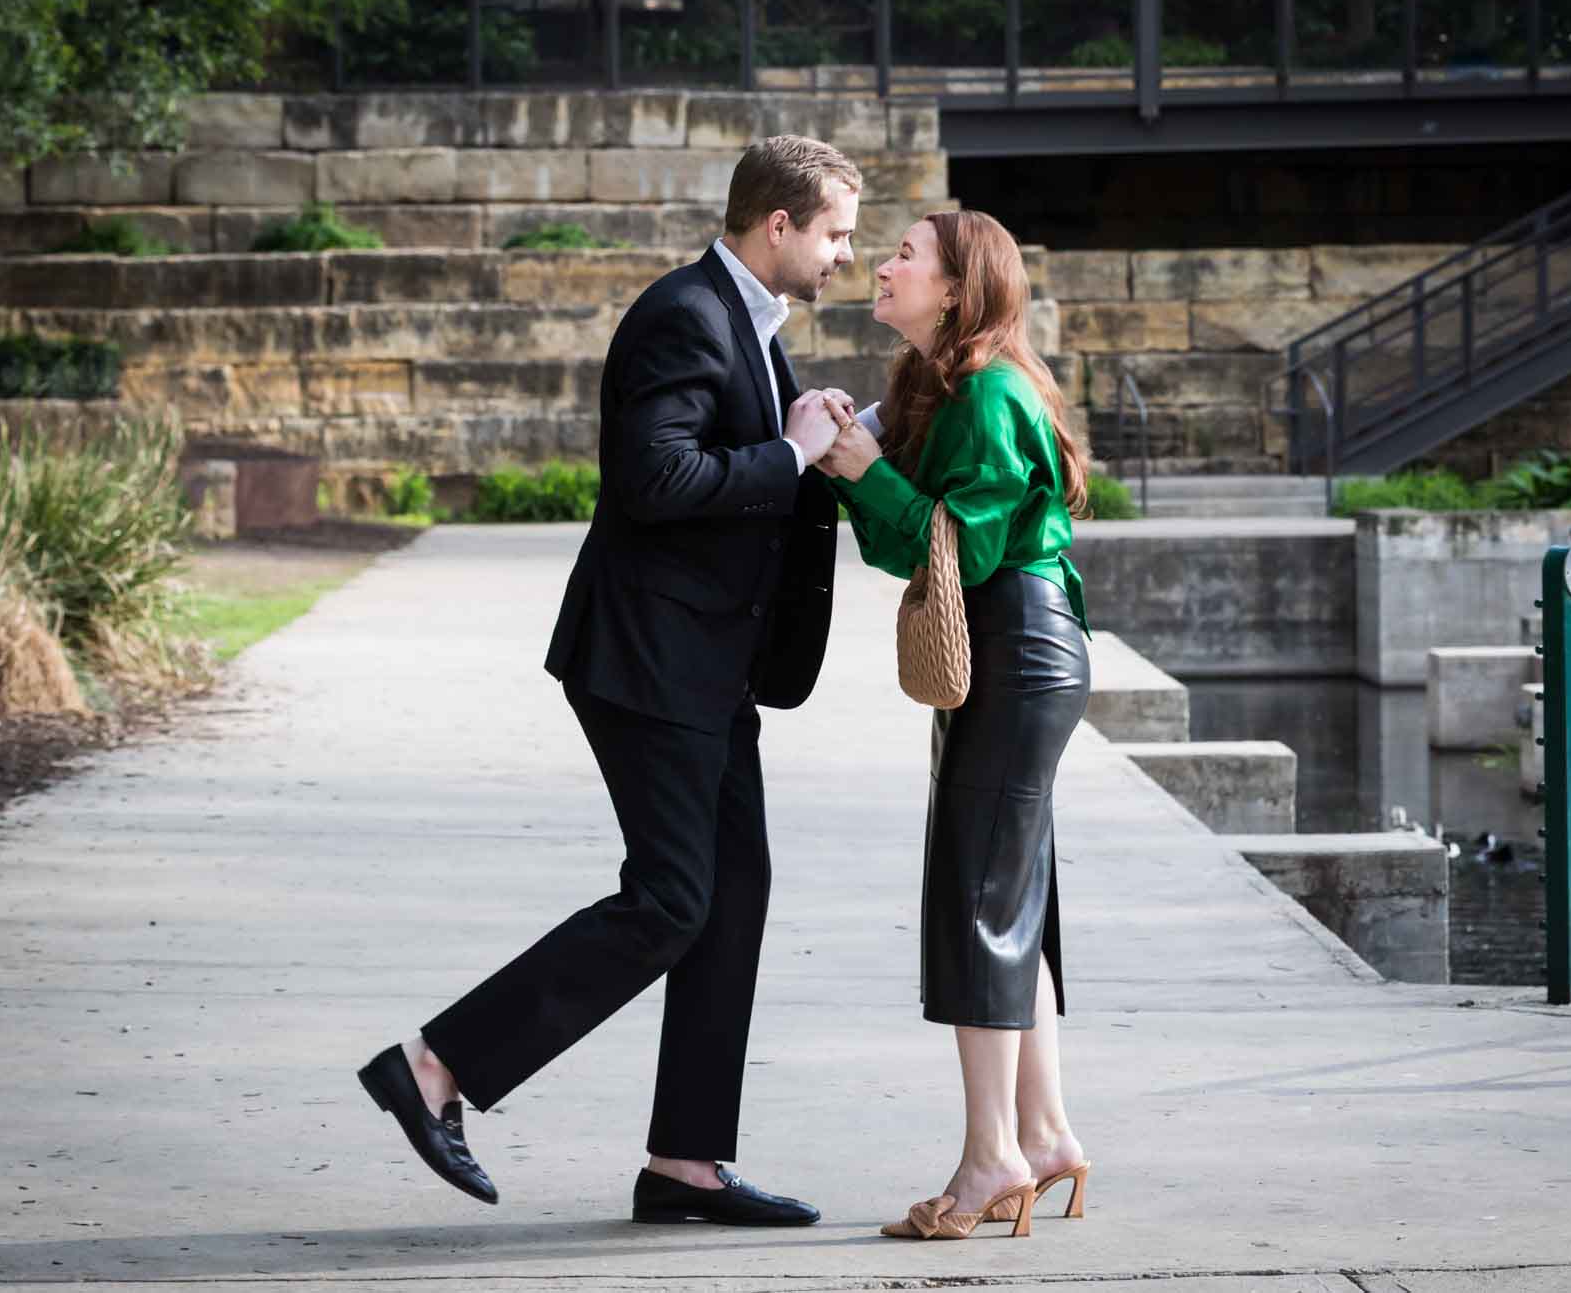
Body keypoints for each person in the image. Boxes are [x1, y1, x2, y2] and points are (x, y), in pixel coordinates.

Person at [356, 135, 864, 1226]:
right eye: (834, 234)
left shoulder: (748, 324)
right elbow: (655, 477)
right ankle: (433, 1066)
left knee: (731, 901)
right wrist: (783, 453)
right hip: (647, 662)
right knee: (674, 897)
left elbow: (734, 456)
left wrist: (811, 437)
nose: (844, 256)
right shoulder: (682, 313)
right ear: (776, 224)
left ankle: (685, 1162)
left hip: (712, 666)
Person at [817, 209, 1093, 1241]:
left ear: (954, 288)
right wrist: (867, 465)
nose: (882, 266)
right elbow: (922, 548)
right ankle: (1047, 1133)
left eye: (903, 256)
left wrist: (857, 474)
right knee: (1010, 899)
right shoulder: (961, 387)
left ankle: (991, 1159)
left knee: (976, 902)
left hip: (1012, 647)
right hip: (1018, 650)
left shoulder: (983, 392)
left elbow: (957, 549)